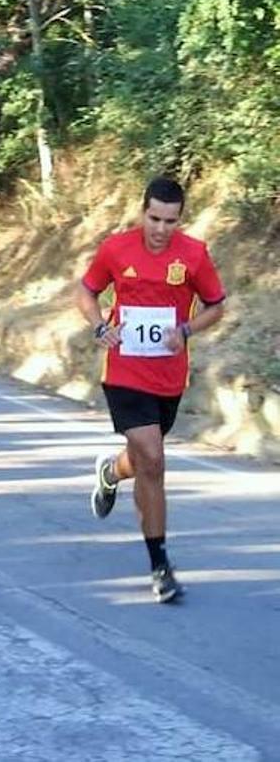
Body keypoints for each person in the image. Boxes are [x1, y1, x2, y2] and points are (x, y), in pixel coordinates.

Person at [79, 176, 226, 603]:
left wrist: (186, 328)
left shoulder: (194, 255)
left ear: (181, 219)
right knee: (155, 462)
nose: (161, 229)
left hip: (168, 376)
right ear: (142, 211)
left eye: (170, 221)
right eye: (154, 218)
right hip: (125, 373)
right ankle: (160, 565)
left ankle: (111, 471)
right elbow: (86, 292)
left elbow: (216, 305)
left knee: (144, 460)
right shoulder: (116, 248)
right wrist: (99, 326)